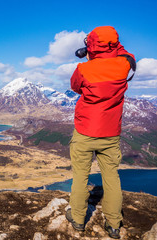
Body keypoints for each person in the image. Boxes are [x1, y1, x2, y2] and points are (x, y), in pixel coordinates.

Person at [65, 26, 135, 239]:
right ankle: (114, 225)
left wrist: (90, 56)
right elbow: (126, 54)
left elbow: (76, 87)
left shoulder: (84, 69)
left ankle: (77, 220)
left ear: (91, 45)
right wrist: (108, 48)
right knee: (111, 178)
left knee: (80, 176)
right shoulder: (124, 64)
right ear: (114, 44)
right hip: (111, 134)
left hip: (85, 132)